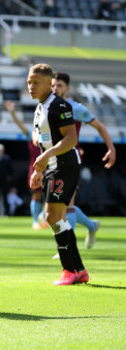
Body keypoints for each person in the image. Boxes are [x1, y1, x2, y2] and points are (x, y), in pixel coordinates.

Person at [27, 63, 88, 285]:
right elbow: (45, 142)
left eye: (35, 83)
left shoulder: (59, 105)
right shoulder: (40, 107)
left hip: (65, 164)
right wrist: (39, 170)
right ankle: (78, 269)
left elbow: (71, 139)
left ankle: (69, 270)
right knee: (56, 218)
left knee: (53, 216)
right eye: (28, 82)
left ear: (48, 83)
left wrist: (45, 158)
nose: (30, 87)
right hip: (52, 166)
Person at [51, 71, 115, 249]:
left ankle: (67, 248)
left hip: (71, 160)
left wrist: (111, 148)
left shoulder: (75, 108)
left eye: (60, 86)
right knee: (58, 208)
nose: (56, 89)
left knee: (67, 204)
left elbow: (99, 127)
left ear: (67, 88)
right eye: (54, 85)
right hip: (52, 161)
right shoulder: (46, 108)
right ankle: (92, 225)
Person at [5, 100, 47, 230]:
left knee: (52, 194)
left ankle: (43, 216)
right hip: (35, 168)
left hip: (49, 167)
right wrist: (12, 113)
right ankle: (35, 221)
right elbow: (20, 125)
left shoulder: (48, 135)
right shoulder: (31, 135)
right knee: (36, 194)